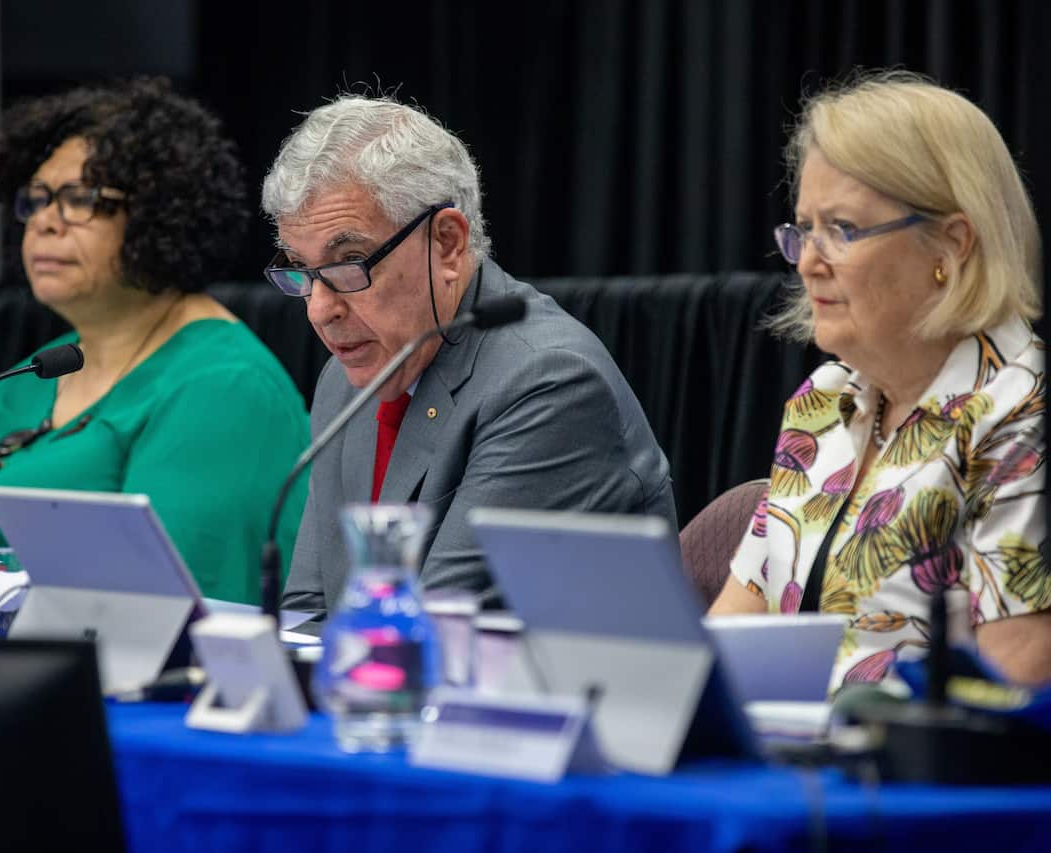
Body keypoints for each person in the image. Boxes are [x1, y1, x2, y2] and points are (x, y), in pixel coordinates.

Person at [260, 94, 677, 628]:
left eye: (348, 263)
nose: (320, 309)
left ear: (448, 244)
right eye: (301, 269)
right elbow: (307, 611)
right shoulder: (346, 383)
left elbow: (429, 631)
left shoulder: (548, 382)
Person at [0, 78, 309, 604]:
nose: (46, 222)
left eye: (80, 200)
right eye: (39, 199)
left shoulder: (227, 389)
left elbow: (169, 609)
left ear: (160, 215)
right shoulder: (31, 374)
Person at [709, 72, 1049, 689]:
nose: (809, 262)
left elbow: (1014, 695)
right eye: (803, 229)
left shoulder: (1024, 416)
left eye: (842, 229)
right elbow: (732, 634)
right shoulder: (822, 403)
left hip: (923, 777)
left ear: (950, 245)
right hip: (792, 764)